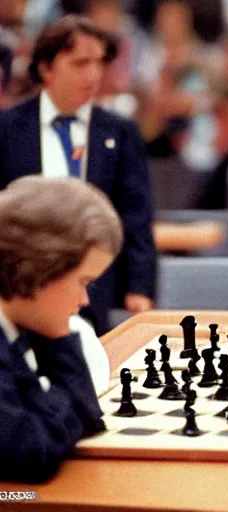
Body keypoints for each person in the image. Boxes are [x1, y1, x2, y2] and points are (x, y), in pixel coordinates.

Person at [0, 15, 156, 335]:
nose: (93, 75)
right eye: (80, 63)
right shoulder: (7, 128)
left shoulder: (119, 131)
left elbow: (136, 214)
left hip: (96, 288)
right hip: (24, 287)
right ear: (46, 67)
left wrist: (139, 288)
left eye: (99, 63)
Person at [0, 175, 123, 483]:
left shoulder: (13, 330)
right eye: (82, 282)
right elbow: (31, 455)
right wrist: (57, 338)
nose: (84, 300)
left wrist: (56, 338)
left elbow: (88, 417)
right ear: (42, 267)